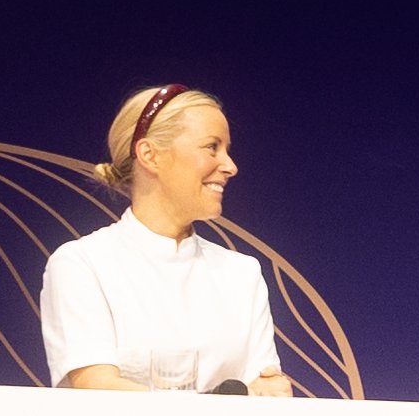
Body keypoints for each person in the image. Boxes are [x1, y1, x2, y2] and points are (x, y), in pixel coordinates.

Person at [39, 84, 292, 395]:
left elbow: (267, 390)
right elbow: (98, 390)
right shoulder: (82, 265)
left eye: (227, 150)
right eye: (211, 147)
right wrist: (224, 400)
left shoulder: (242, 273)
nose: (230, 166)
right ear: (150, 155)